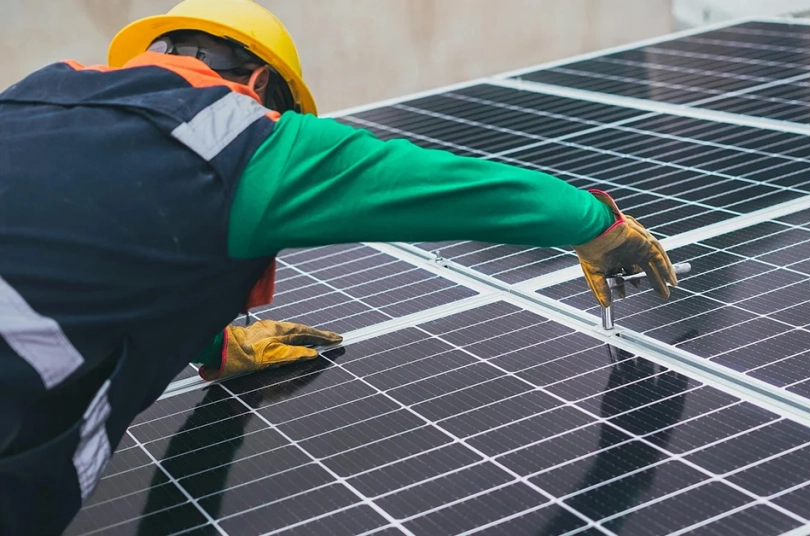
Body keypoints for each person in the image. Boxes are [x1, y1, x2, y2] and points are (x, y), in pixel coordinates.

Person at [0, 0, 677, 533]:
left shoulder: (29, 99)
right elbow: (449, 184)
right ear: (262, 83)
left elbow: (96, 243)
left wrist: (212, 344)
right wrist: (601, 226)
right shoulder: (248, 138)